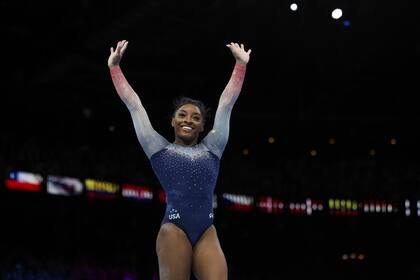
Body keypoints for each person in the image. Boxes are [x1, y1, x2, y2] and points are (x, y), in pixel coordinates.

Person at [108, 39, 251, 280]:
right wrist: (115, 68)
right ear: (172, 121)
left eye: (196, 117)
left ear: (203, 126)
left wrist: (240, 65)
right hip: (174, 228)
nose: (188, 120)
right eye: (182, 115)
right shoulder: (158, 148)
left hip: (207, 230)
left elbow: (227, 104)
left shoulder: (213, 147)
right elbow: (134, 105)